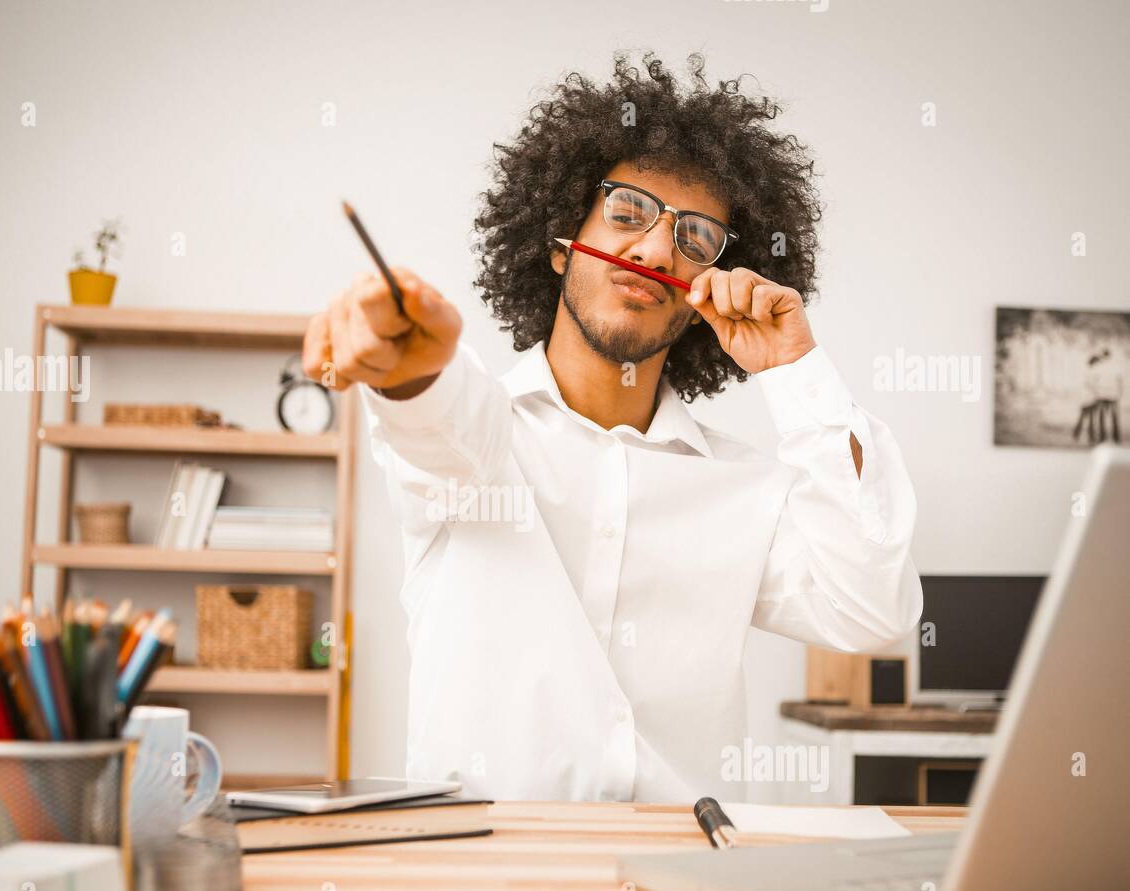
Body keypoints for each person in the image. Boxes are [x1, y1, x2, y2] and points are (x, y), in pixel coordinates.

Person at [302, 53, 922, 801]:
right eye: (628, 213)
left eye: (694, 239)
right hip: (484, 884)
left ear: (702, 291)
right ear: (564, 240)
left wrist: (796, 368)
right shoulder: (483, 445)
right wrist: (410, 360)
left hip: (686, 882)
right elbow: (436, 417)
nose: (657, 250)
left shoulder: (744, 489)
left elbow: (872, 611)